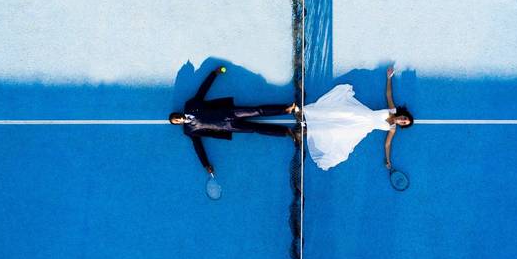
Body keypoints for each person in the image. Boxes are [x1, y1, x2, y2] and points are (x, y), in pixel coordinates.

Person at [169, 66, 299, 175]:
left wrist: (214, 73)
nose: (178, 119)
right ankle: (286, 132)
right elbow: (198, 147)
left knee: (257, 110)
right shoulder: (189, 131)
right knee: (256, 129)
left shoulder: (190, 105)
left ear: (178, 113)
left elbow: (202, 91)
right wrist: (205, 165)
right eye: (176, 121)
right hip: (229, 126)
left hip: (230, 111)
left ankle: (287, 109)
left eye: (176, 117)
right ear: (178, 123)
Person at [303, 66, 414, 171]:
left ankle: (308, 130)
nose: (402, 120)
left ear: (402, 125)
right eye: (404, 118)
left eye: (404, 122)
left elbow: (387, 144)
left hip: (361, 128)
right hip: (360, 113)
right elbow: (388, 94)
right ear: (402, 114)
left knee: (336, 130)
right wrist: (389, 78)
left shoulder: (392, 129)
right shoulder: (392, 110)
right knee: (336, 114)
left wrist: (388, 160)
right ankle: (310, 116)